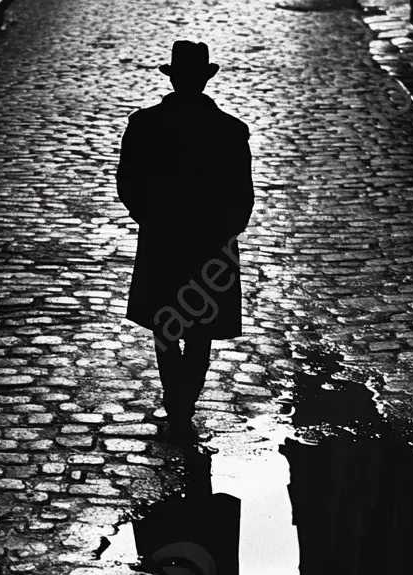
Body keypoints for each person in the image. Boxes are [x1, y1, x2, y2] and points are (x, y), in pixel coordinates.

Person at [117, 41, 255, 439]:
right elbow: (242, 193)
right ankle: (185, 401)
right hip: (211, 242)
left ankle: (176, 398)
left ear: (174, 77)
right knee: (201, 329)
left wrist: (148, 216)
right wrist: (229, 229)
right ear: (204, 79)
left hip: (163, 238)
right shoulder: (229, 130)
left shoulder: (145, 124)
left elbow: (128, 180)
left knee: (165, 325)